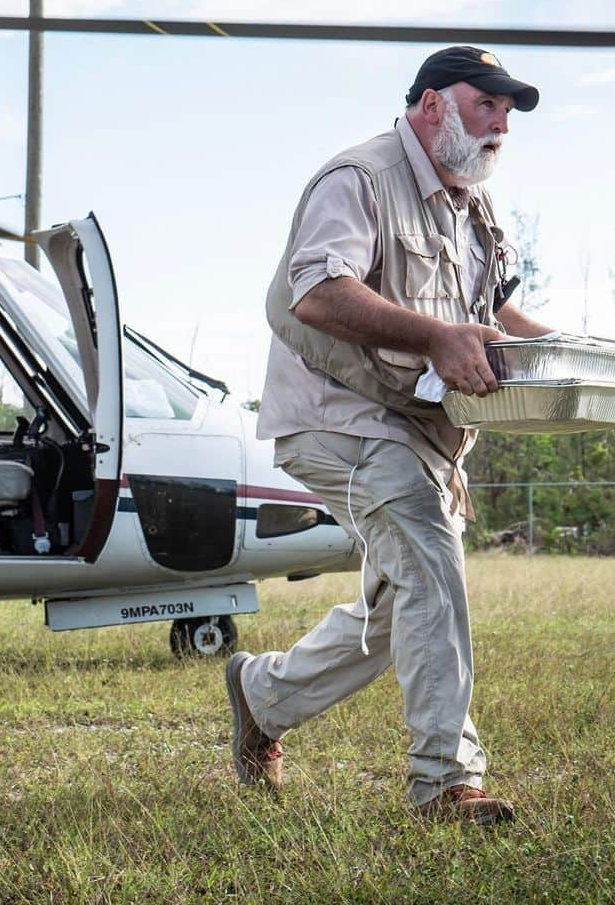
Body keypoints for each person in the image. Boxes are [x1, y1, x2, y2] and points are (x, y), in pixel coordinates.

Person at [226, 47, 553, 825]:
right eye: (487, 105)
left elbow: (494, 313)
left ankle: (260, 695)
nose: (501, 124)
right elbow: (317, 291)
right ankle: (445, 780)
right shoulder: (360, 179)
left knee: (396, 606)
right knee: (431, 565)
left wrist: (580, 358)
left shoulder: (470, 205)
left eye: (509, 113)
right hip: (336, 418)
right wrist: (437, 337)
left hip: (420, 432)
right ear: (433, 104)